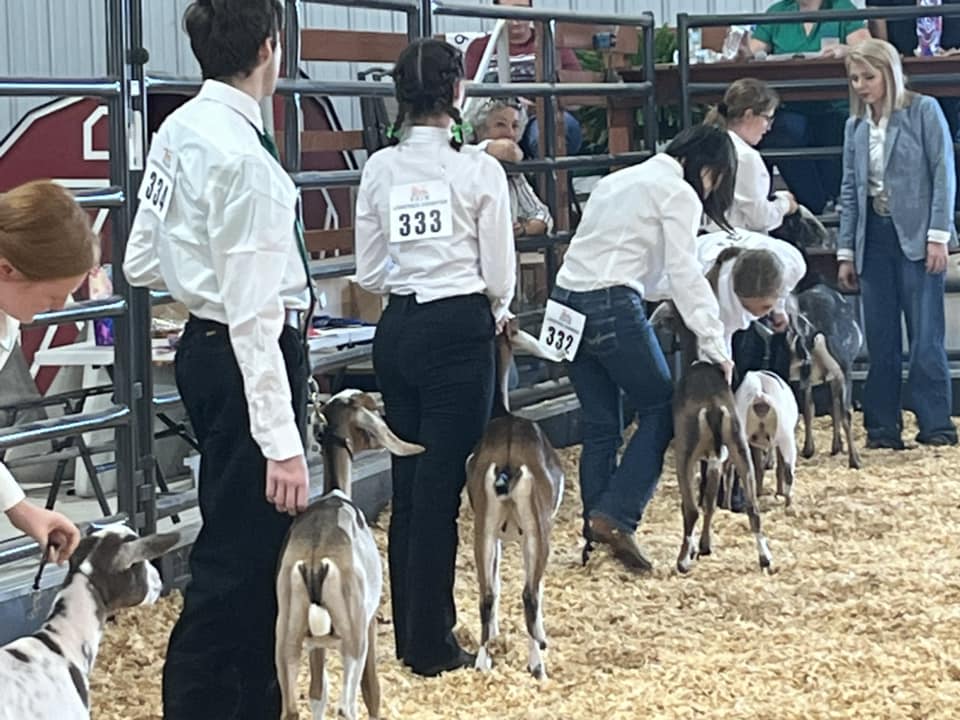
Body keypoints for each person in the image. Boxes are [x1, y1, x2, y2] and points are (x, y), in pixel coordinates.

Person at [123, 2, 314, 717]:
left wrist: (194, 279)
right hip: (244, 358)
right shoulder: (247, 161)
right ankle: (212, 703)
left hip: (205, 346)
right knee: (244, 559)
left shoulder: (179, 129)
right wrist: (282, 443)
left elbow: (141, 258)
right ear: (270, 47)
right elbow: (256, 316)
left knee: (236, 544)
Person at [354, 38, 515, 676]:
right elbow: (499, 272)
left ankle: (410, 633)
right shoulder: (477, 170)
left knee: (410, 484)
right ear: (456, 94)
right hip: (457, 328)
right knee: (440, 489)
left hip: (399, 327)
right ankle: (431, 644)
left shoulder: (379, 168)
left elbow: (370, 270)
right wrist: (493, 304)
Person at [549, 124, 737, 572]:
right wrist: (714, 342)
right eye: (715, 179)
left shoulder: (616, 181)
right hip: (611, 302)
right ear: (706, 167)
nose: (710, 189)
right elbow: (682, 271)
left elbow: (649, 273)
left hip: (563, 303)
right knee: (661, 408)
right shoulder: (679, 193)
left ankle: (596, 530)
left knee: (601, 423)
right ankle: (617, 516)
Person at [837, 38, 958, 449]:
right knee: (881, 337)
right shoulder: (855, 127)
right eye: (855, 78)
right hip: (873, 236)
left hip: (918, 234)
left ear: (889, 74)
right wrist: (846, 251)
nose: (860, 86)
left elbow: (943, 173)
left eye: (868, 77)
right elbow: (850, 189)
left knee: (925, 336)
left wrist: (938, 235)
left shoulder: (923, 110)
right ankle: (882, 427)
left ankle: (936, 424)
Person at [0, 180, 96, 564]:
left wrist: (22, 511)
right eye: (53, 296)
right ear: (7, 269)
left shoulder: (8, 317)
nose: (59, 308)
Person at [749, 0, 871, 214]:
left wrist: (846, 50)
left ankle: (831, 202)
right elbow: (754, 51)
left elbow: (867, 49)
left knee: (838, 128)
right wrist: (745, 52)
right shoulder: (778, 11)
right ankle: (814, 206)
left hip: (834, 105)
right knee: (779, 134)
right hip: (790, 106)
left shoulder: (842, 8)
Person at [464, 0, 583, 159]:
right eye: (507, 13)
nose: (516, 20)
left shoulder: (553, 45)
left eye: (521, 11)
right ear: (495, 12)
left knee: (552, 132)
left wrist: (540, 104)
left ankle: (548, 174)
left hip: (541, 115)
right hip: (495, 119)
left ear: (531, 10)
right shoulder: (479, 48)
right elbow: (468, 95)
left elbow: (577, 92)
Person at [704, 78, 798, 232]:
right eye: (767, 118)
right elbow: (759, 219)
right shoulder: (746, 156)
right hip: (738, 239)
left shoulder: (710, 142)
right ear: (748, 115)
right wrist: (785, 204)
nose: (768, 128)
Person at [866, 0, 960, 139]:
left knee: (947, 128)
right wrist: (888, 54)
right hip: (903, 67)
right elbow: (876, 16)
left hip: (951, 67)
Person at [467, 97, 554, 238]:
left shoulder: (512, 172)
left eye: (515, 126)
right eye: (500, 125)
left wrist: (523, 228)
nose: (511, 133)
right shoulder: (472, 156)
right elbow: (509, 150)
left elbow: (543, 215)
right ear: (480, 129)